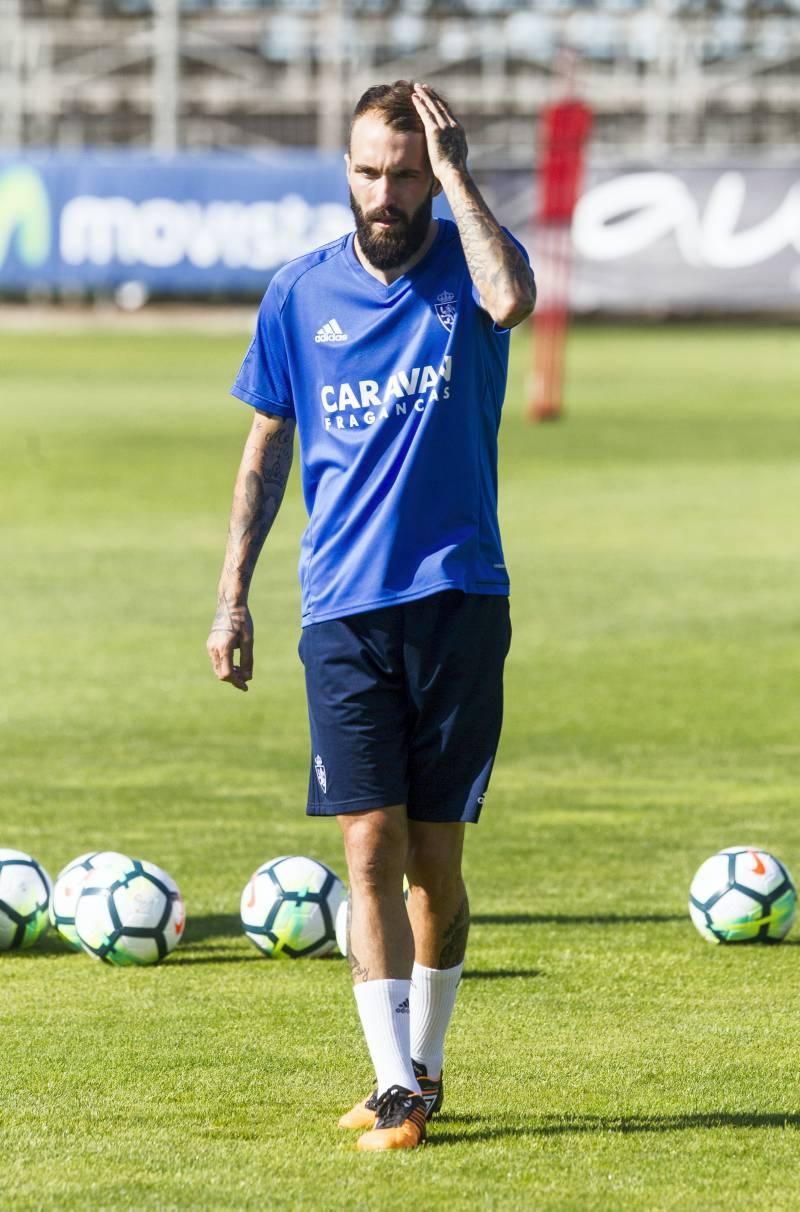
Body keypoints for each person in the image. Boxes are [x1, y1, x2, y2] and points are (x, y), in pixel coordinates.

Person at [207, 80, 535, 1152]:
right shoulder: (297, 293)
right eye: (367, 171)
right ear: (341, 169)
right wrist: (230, 594)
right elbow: (267, 446)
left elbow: (509, 302)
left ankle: (424, 1068)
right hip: (340, 608)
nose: (383, 194)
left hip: (456, 598)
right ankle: (394, 1086)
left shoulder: (463, 263)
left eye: (402, 173)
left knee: (432, 861)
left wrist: (458, 176)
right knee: (365, 843)